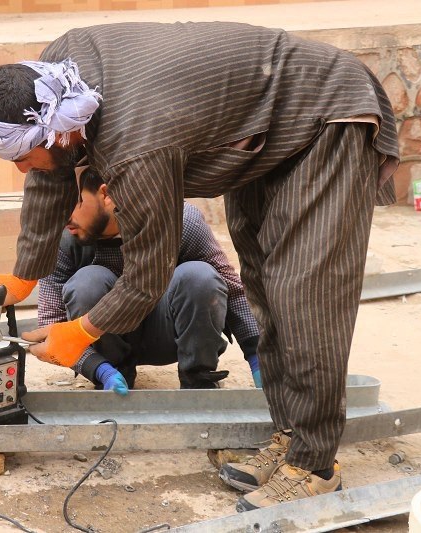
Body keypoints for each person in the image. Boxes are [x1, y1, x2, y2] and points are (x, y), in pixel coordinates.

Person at [0, 22, 399, 510]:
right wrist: (25, 275)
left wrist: (82, 331)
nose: (20, 170)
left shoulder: (135, 146)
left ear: (57, 132)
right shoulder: (49, 80)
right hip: (255, 128)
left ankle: (315, 466)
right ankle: (292, 436)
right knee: (265, 283)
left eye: (23, 156)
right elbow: (51, 171)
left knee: (304, 294)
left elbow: (148, 276)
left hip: (325, 113)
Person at [39, 166, 261, 392]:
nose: (65, 218)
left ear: (105, 194)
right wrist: (98, 368)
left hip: (169, 331)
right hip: (106, 342)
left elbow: (232, 290)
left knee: (200, 276)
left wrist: (257, 356)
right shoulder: (64, 239)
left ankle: (198, 379)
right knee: (87, 282)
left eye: (73, 204)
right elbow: (51, 322)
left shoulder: (179, 220)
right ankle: (116, 376)